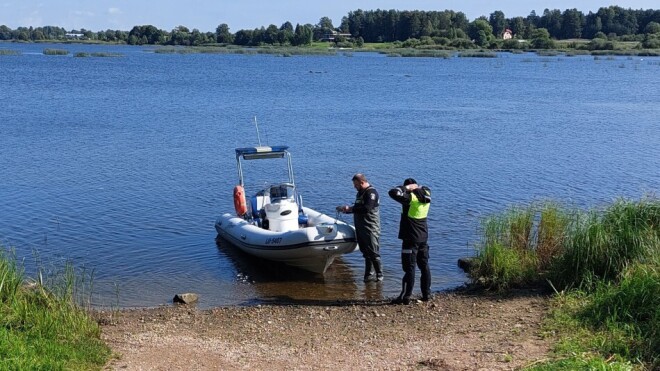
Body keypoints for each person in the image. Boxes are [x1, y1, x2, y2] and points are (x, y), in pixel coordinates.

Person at [388, 178, 432, 304]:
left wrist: (406, 189)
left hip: (410, 238)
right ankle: (426, 294)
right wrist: (416, 187)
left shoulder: (410, 199)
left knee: (409, 268)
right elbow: (425, 189)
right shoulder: (426, 194)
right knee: (424, 266)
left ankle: (406, 296)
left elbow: (392, 193)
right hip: (423, 237)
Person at [337, 173, 383, 282]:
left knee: (373, 252)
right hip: (360, 227)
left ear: (362, 182)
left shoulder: (371, 193)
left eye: (356, 185)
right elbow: (358, 208)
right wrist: (346, 210)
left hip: (370, 228)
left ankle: (379, 275)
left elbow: (367, 208)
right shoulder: (360, 193)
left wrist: (350, 209)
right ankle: (368, 275)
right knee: (365, 252)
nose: (354, 187)